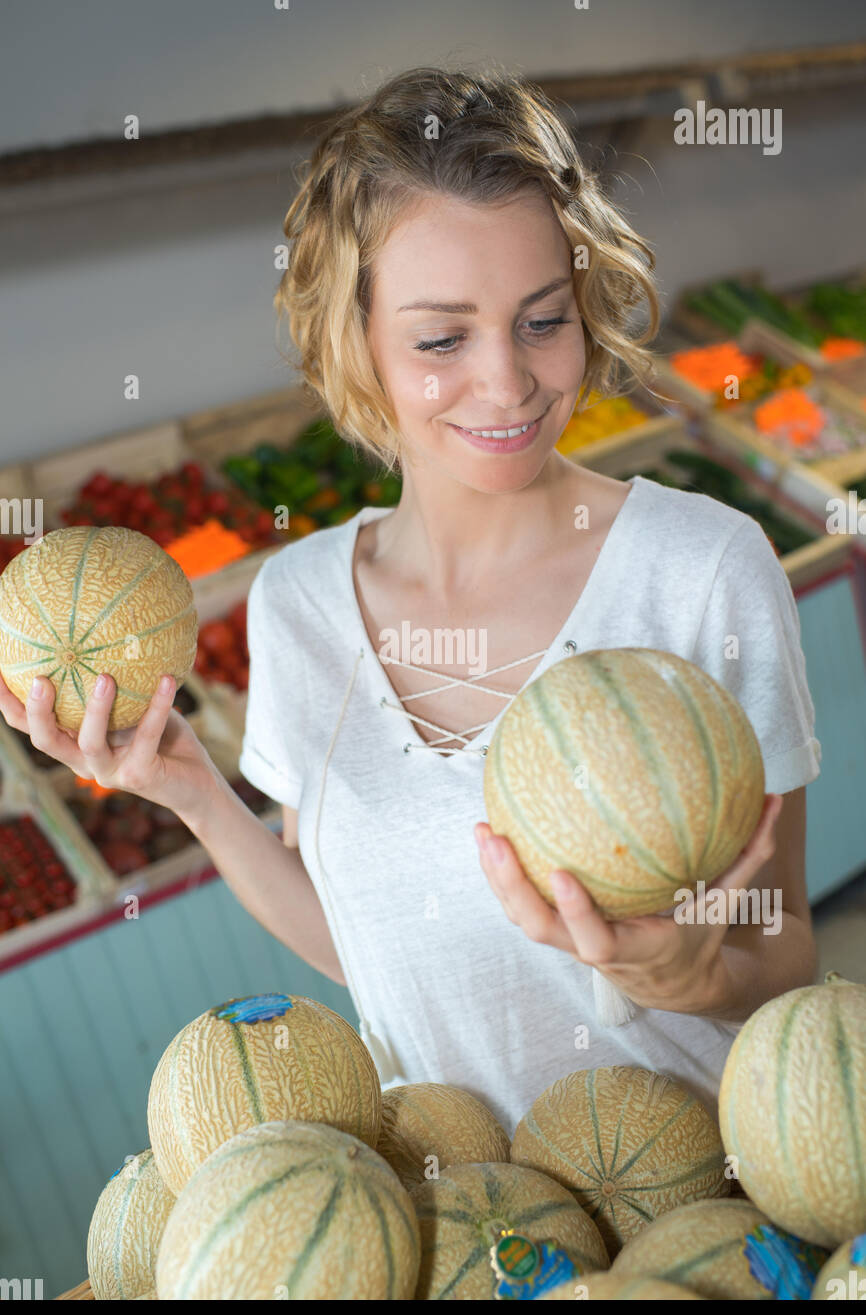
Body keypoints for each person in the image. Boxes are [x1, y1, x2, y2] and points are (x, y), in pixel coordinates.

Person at [0, 66, 819, 1135]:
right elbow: (375, 951)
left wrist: (688, 977)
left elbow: (787, 944)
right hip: (467, 1221)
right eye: (441, 338)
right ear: (358, 344)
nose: (509, 383)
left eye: (542, 320)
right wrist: (195, 794)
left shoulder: (703, 569)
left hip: (704, 1208)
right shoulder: (295, 604)